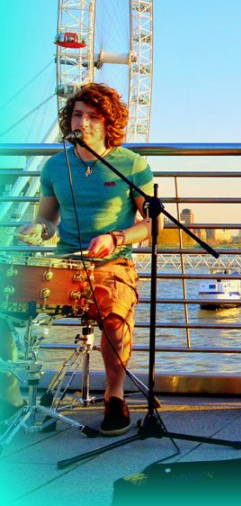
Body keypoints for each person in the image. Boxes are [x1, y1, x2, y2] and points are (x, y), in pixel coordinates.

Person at [11, 83, 158, 435]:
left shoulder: (131, 164)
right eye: (78, 114)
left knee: (115, 317)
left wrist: (115, 237)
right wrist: (38, 230)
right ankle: (15, 396)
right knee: (9, 305)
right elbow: (47, 220)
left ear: (109, 123)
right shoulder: (55, 167)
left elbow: (153, 224)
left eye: (93, 117)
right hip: (64, 265)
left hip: (112, 264)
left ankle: (114, 395)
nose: (84, 123)